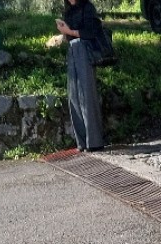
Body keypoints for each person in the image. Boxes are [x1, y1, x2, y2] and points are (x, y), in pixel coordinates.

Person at [56, 0, 109, 152]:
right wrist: (62, 34)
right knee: (74, 96)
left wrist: (70, 32)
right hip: (72, 50)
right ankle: (82, 142)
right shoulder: (69, 11)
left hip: (85, 50)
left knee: (87, 93)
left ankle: (95, 142)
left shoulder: (87, 7)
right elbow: (71, 33)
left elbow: (91, 31)